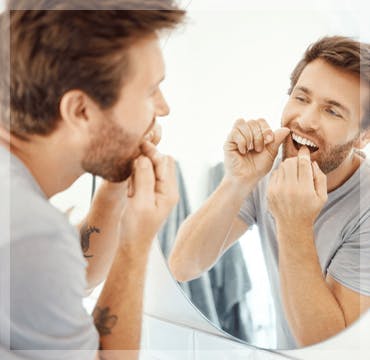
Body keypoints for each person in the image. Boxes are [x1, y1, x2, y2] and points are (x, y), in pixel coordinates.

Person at [0, 1, 186, 359]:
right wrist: (136, 243)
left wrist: (116, 184)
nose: (163, 108)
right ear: (81, 111)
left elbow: (73, 278)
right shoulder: (31, 231)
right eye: (151, 90)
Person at [169, 36, 370, 349]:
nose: (305, 120)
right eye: (301, 98)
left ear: (362, 137)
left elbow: (327, 346)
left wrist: (294, 224)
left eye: (332, 111)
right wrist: (239, 180)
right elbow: (184, 265)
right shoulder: (268, 169)